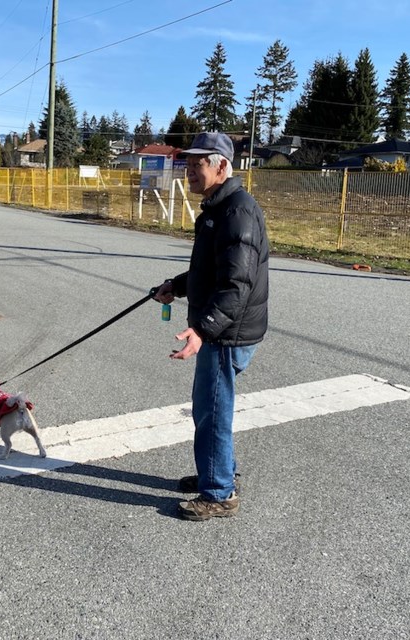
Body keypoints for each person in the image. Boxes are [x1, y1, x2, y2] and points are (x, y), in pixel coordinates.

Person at [152, 131, 270, 521]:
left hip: (224, 333)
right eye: (186, 164)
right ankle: (218, 473)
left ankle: (219, 492)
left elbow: (237, 284)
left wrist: (202, 330)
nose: (189, 171)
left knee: (213, 411)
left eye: (197, 164)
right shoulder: (219, 209)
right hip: (221, 328)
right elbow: (211, 270)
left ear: (222, 165)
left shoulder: (237, 212)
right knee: (213, 409)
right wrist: (178, 286)